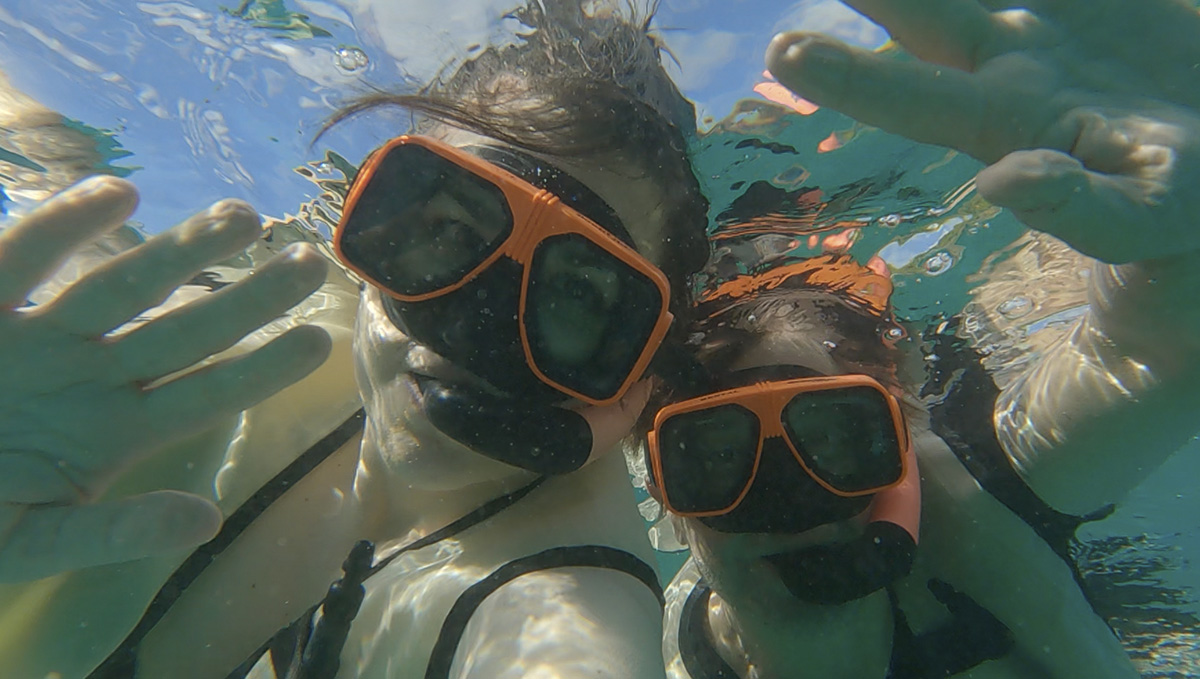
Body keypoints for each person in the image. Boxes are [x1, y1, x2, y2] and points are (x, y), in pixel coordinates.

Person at [0, 3, 710, 678]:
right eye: (449, 233)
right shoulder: (193, 364)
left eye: (577, 293)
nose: (472, 332)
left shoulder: (572, 588)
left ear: (639, 363)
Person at [644, 0, 1200, 676]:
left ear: (902, 431)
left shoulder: (999, 483)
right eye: (717, 458)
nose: (789, 507)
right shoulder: (675, 650)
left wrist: (1182, 239)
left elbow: (1162, 351)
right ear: (668, 495)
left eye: (835, 439)